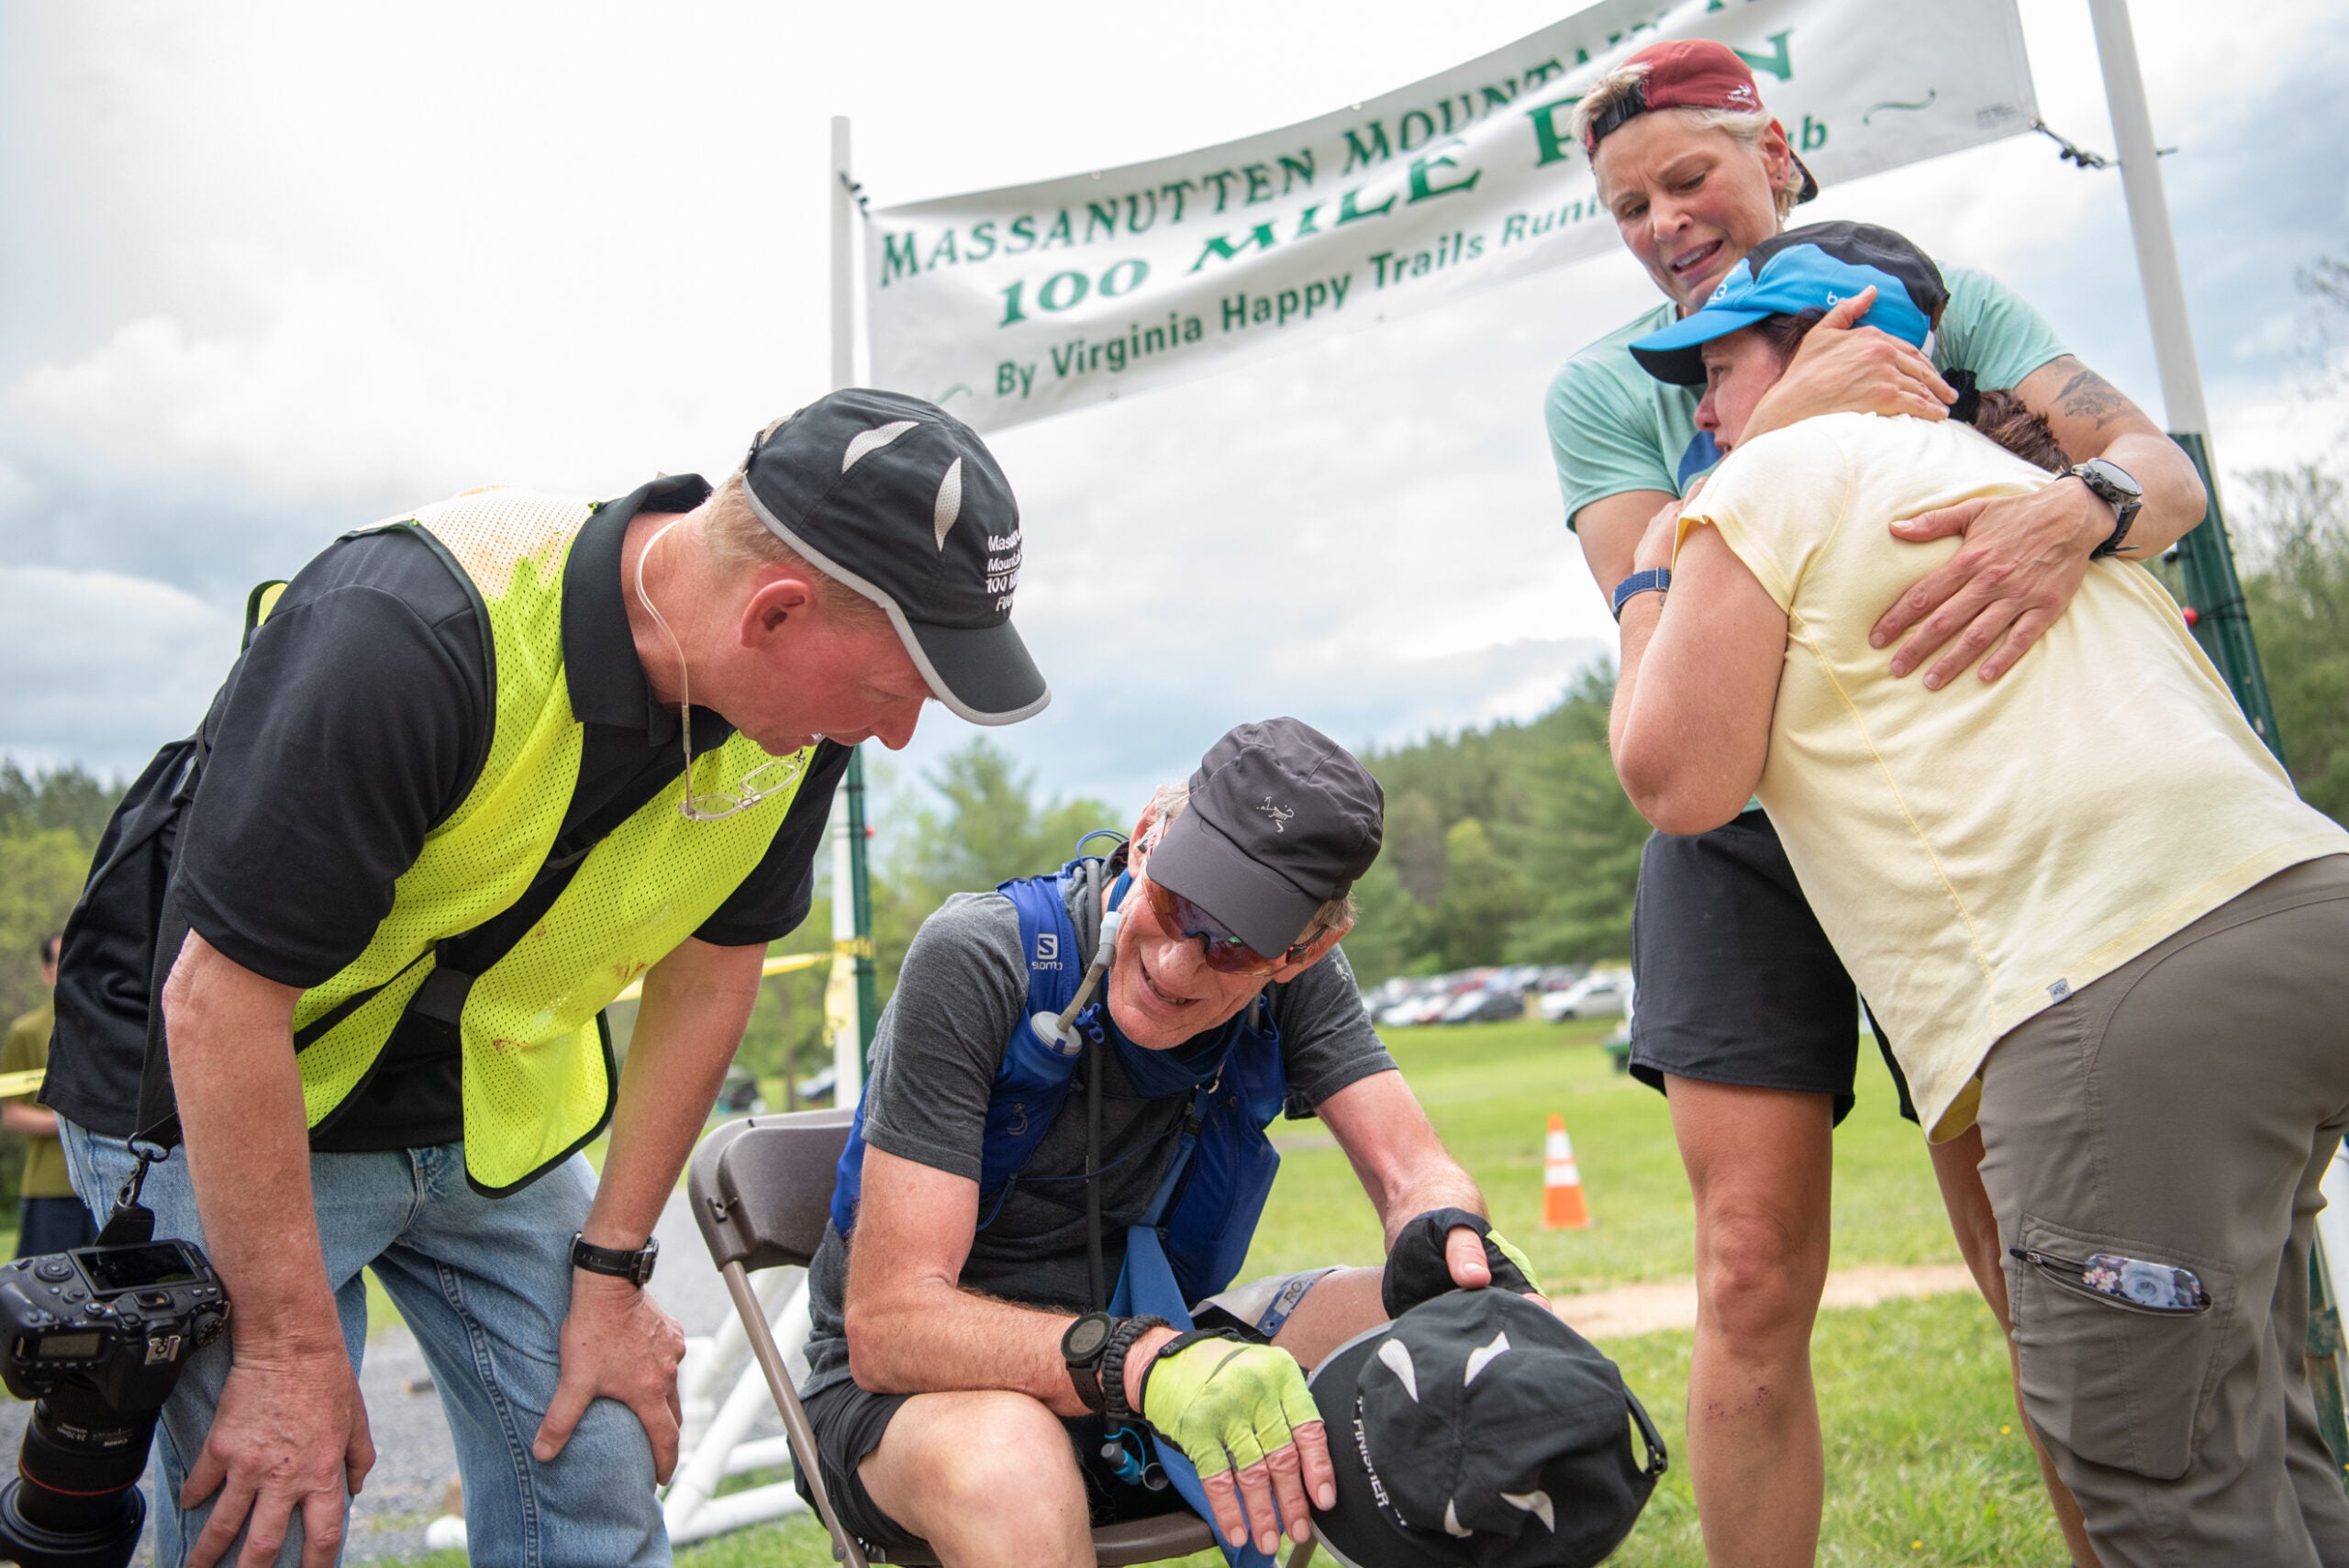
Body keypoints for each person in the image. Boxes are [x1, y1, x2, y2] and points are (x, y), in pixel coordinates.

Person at [43, 387, 1048, 1568]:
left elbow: (710, 978)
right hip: (235, 1078)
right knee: (264, 1502)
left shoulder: (792, 729)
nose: (894, 739)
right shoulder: (409, 631)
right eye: (894, 694)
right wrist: (289, 1350)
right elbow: (219, 1000)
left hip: (481, 1102)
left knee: (600, 1457)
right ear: (775, 612)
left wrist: (612, 1272)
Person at [1542, 39, 2210, 1566]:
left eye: (1686, 178)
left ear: (1774, 150)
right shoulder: (1603, 388)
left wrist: (2071, 518)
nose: (1657, 221)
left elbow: (2159, 475)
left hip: (1962, 816)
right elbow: (1653, 658)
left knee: (2039, 1262)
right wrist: (1773, 429)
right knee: (1750, 1262)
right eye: (1625, 204)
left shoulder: (1948, 296)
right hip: (1742, 831)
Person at [1606, 219, 2349, 1568]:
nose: (1698, 410)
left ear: (1831, 347)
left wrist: (1654, 585)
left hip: (2115, 985)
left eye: (1714, 371)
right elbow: (2161, 485)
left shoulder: (1768, 477)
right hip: (2305, 903)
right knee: (2270, 1434)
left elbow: (1676, 779)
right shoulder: (2032, 481)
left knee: (2173, 1493)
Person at [799, 718, 1643, 1568]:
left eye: (1234, 942)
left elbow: (1415, 1172)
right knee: (1011, 1459)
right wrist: (1141, 1361)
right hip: (919, 1402)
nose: (1175, 963)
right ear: (1144, 839)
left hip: (1152, 1358)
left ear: (1307, 948)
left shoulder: (1301, 977)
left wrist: (1446, 1238)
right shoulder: (981, 958)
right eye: (1174, 899)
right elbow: (888, 1326)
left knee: (1478, 1345)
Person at [2, 934, 95, 1257]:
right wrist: (74, 1121)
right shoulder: (25, 1032)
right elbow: (9, 1112)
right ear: (46, 971)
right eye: (60, 959)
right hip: (51, 1190)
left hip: (110, 1187)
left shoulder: (109, 1027)